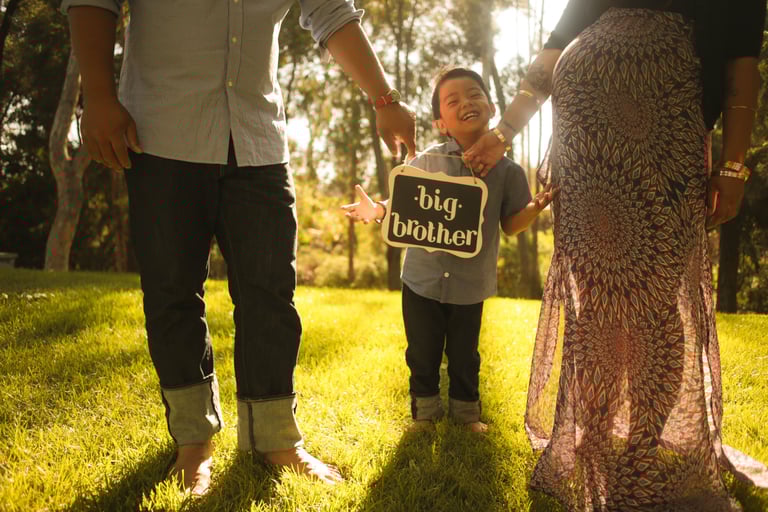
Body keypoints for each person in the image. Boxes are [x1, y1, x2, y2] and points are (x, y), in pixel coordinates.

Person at [61, 0, 416, 495]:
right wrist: (96, 94)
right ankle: (194, 443)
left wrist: (384, 98)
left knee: (271, 293)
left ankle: (275, 440)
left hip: (258, 138)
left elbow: (332, 12)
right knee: (172, 292)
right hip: (161, 132)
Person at [463, 1, 768, 510]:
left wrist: (734, 165)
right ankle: (602, 438)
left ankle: (637, 443)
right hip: (590, 127)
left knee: (653, 294)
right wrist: (503, 133)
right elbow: (554, 48)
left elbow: (742, 64)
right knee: (602, 292)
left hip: (666, 119)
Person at [343, 68, 556, 433]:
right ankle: (424, 413)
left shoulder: (508, 172)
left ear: (491, 106)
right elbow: (403, 204)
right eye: (452, 100)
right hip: (421, 280)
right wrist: (376, 210)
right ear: (441, 123)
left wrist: (534, 209)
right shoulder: (427, 160)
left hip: (469, 284)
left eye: (474, 95)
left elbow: (510, 224)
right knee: (421, 351)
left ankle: (466, 413)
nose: (466, 103)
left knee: (464, 354)